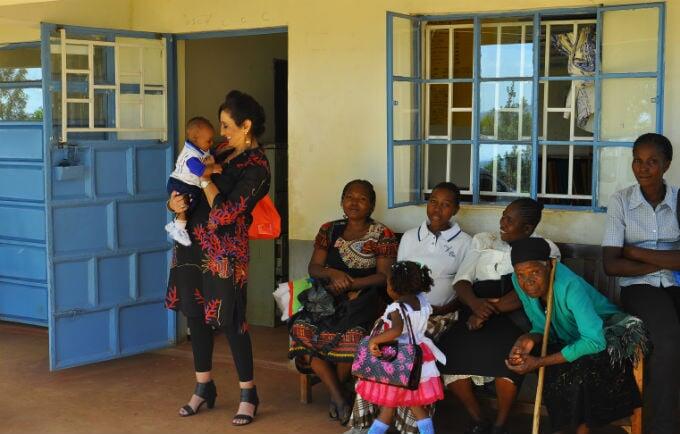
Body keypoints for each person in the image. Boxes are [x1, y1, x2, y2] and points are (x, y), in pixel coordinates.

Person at [165, 90, 270, 426]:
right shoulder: (220, 151)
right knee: (195, 316)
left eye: (226, 126)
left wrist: (207, 178)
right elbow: (185, 179)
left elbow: (226, 212)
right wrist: (174, 204)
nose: (220, 133)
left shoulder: (257, 168)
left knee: (232, 320)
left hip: (225, 254)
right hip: (191, 245)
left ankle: (248, 393)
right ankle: (203, 387)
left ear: (246, 125)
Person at [348, 182, 472, 434]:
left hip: (442, 314)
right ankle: (362, 422)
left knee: (405, 352)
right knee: (375, 350)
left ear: (456, 209)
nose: (437, 209)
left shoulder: (465, 243)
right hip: (410, 312)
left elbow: (464, 284)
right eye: (433, 201)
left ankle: (407, 426)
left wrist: (442, 308)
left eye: (446, 204)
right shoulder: (409, 236)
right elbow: (397, 277)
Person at [437, 198, 560, 434]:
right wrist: (475, 306)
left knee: (510, 355)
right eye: (503, 216)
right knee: (450, 350)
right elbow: (462, 281)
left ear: (527, 228)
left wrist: (489, 311)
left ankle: (500, 425)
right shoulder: (484, 240)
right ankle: (478, 420)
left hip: (516, 315)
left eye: (510, 220)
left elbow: (533, 288)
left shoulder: (544, 248)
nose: (502, 223)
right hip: (475, 308)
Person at [507, 237, 647, 434]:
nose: (527, 281)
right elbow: (540, 324)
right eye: (521, 274)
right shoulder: (517, 281)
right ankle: (563, 429)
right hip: (569, 339)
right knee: (556, 372)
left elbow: (594, 341)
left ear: (549, 265)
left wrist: (540, 361)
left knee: (576, 373)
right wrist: (526, 340)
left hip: (606, 337)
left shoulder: (570, 286)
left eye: (534, 272)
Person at [288, 179, 398, 426]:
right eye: (349, 196)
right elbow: (314, 268)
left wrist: (351, 285)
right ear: (341, 201)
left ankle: (338, 396)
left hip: (365, 298)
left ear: (371, 205)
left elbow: (383, 277)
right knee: (301, 329)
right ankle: (339, 396)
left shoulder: (382, 234)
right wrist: (333, 275)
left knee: (355, 335)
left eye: (361, 198)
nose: (354, 202)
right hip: (327, 298)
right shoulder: (329, 229)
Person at [602, 132, 680, 434]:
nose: (643, 168)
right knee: (670, 340)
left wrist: (634, 251)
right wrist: (665, 257)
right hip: (639, 288)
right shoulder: (621, 201)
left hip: (674, 284)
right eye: (637, 161)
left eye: (652, 162)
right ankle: (661, 427)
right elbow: (611, 264)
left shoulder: (679, 199)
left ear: (666, 165)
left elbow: (623, 255)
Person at [355, 261, 446, 434]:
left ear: (394, 287)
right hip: (419, 357)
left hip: (399, 361)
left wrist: (374, 341)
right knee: (418, 408)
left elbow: (396, 330)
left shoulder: (396, 308)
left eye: (388, 283)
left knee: (388, 408)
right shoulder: (422, 301)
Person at [165, 117, 223, 246]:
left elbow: (209, 152)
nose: (212, 143)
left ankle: (176, 226)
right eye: (208, 141)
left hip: (185, 184)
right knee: (185, 206)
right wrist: (213, 168)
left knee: (186, 206)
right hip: (182, 184)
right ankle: (178, 229)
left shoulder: (200, 147)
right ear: (196, 140)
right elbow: (200, 171)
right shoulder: (191, 155)